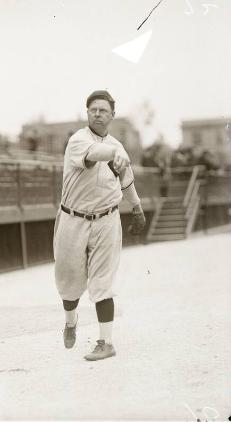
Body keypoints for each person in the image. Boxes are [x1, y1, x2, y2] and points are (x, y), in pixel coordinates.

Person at [53, 90, 146, 361]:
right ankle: (71, 321)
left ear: (112, 115)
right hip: (73, 218)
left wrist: (137, 208)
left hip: (107, 219)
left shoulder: (119, 147)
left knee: (102, 282)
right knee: (69, 284)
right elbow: (95, 153)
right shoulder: (78, 140)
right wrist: (113, 154)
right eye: (93, 109)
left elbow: (127, 181)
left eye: (103, 110)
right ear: (87, 113)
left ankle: (106, 342)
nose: (97, 113)